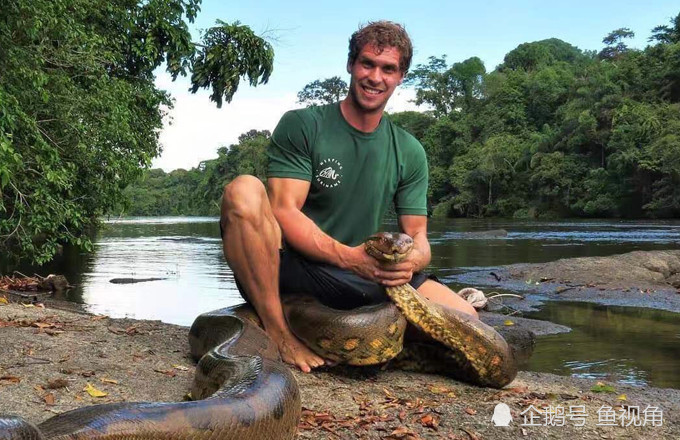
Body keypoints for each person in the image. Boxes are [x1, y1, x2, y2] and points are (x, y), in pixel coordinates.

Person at [220, 20, 478, 373]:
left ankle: (350, 335)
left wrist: (411, 263)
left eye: (388, 69)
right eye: (367, 63)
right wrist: (348, 258)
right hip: (296, 267)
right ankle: (279, 331)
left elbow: (418, 236)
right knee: (243, 191)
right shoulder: (303, 125)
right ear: (351, 65)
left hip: (365, 273)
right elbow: (284, 210)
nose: (375, 77)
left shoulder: (409, 149)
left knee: (469, 321)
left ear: (401, 76)